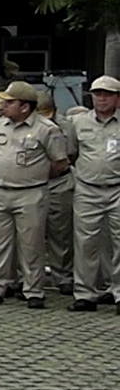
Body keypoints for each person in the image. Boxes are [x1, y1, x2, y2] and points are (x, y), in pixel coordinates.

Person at [0, 81, 71, 308]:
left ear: (24, 107)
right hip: (1, 190)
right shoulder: (1, 124)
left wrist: (35, 176)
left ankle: (33, 290)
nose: (4, 106)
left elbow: (60, 162)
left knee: (31, 244)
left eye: (10, 102)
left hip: (31, 193)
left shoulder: (46, 129)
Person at [65, 74, 120, 311]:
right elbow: (70, 153)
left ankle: (117, 292)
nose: (101, 99)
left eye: (107, 94)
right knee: (85, 242)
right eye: (97, 94)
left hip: (118, 188)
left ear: (118, 98)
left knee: (119, 243)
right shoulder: (78, 122)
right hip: (87, 189)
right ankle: (85, 294)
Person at [36, 94, 75, 295]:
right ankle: (31, 278)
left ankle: (63, 276)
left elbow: (69, 156)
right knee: (31, 235)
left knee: (60, 233)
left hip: (58, 182)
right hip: (33, 184)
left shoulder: (66, 127)